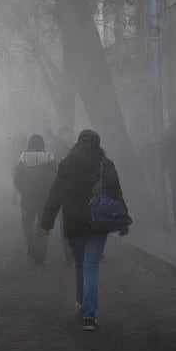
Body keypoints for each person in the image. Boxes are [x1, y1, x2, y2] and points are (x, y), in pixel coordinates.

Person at [40, 130, 128, 332]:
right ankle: (89, 316)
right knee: (91, 268)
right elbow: (116, 193)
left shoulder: (67, 164)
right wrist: (124, 222)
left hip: (73, 223)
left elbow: (55, 194)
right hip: (98, 222)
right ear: (98, 144)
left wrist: (47, 222)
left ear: (78, 143)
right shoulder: (105, 164)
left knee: (80, 265)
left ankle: (81, 304)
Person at [13, 134, 56, 264]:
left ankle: (30, 247)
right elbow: (55, 178)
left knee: (27, 224)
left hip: (27, 198)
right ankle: (40, 256)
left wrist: (23, 191)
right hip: (44, 198)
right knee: (42, 226)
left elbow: (17, 179)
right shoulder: (49, 158)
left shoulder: (23, 158)